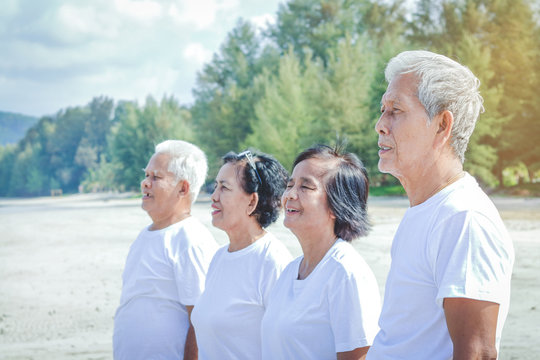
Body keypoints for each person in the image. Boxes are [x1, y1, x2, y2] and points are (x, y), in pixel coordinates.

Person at [367, 50, 515, 359]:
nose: (380, 124)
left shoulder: (463, 218)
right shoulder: (430, 210)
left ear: (441, 126)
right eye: (382, 109)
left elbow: (477, 353)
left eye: (395, 110)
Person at [261, 144, 381, 360]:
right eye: (290, 184)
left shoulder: (345, 273)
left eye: (306, 187)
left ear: (337, 205)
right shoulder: (290, 271)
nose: (290, 195)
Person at [113, 140, 218, 360]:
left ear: (183, 187)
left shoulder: (189, 239)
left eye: (156, 177)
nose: (145, 183)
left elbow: (201, 322)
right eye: (146, 175)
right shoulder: (146, 235)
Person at [191, 150, 293, 360]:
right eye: (215, 186)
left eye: (224, 188)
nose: (214, 196)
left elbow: (286, 347)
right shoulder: (219, 257)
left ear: (251, 202)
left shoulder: (272, 261)